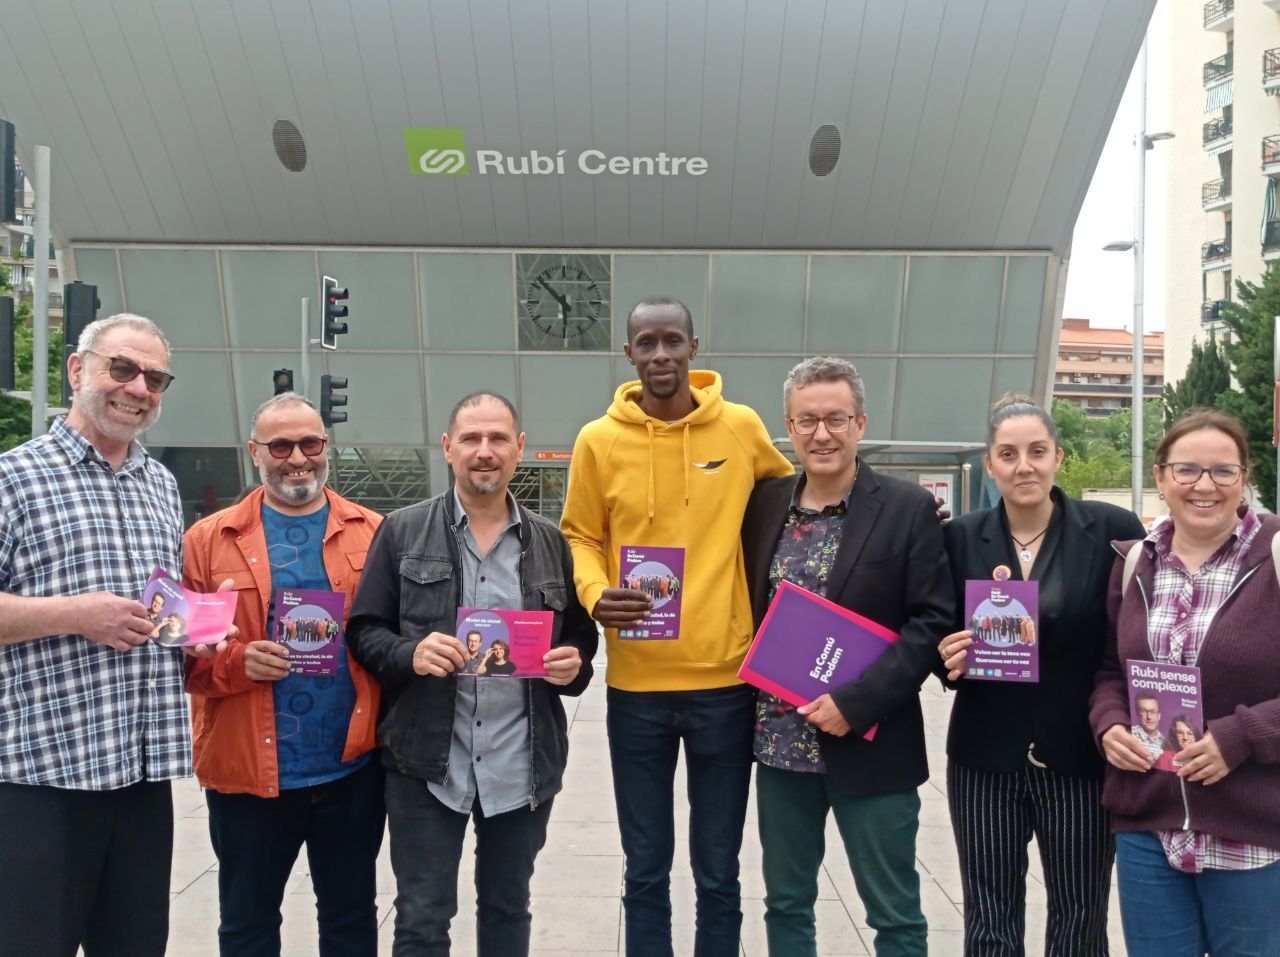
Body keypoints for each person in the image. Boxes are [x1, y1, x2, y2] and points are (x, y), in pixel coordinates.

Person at [560, 296, 793, 956]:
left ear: (695, 346)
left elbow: (794, 505)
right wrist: (594, 589)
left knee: (719, 870)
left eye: (671, 341)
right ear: (628, 355)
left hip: (725, 684)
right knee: (645, 870)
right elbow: (579, 533)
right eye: (645, 343)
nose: (660, 354)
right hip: (635, 689)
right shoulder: (597, 440)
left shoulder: (741, 428)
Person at [348, 391, 597, 957]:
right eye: (471, 439)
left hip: (521, 763)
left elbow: (580, 635)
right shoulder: (402, 531)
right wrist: (408, 654)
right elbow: (365, 633)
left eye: (498, 439)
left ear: (519, 448)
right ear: (448, 448)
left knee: (509, 910)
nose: (485, 452)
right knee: (421, 919)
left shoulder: (550, 543)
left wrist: (573, 664)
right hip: (427, 764)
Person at [741, 357, 953, 957]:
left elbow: (931, 621)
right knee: (785, 905)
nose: (822, 433)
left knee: (894, 914)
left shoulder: (907, 508)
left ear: (860, 423)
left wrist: (855, 704)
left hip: (871, 743)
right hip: (778, 747)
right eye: (806, 420)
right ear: (788, 426)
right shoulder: (764, 505)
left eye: (836, 418)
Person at [0, 313, 189, 957]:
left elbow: (163, 599)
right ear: (78, 370)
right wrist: (75, 614)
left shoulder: (161, 485)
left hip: (140, 771)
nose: (139, 387)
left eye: (155, 377)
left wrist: (191, 626)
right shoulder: (13, 478)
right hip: (42, 776)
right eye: (123, 368)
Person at [939, 393, 1146, 956]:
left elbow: (1131, 637)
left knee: (1080, 917)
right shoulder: (958, 538)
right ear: (989, 464)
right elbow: (935, 628)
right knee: (988, 919)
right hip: (985, 755)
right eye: (1008, 454)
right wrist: (948, 657)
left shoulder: (1112, 531)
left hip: (1078, 753)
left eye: (1036, 451)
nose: (1023, 465)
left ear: (1058, 455)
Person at [183, 392, 384, 957]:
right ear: (255, 453)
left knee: (350, 919)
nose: (298, 458)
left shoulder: (375, 532)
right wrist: (235, 662)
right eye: (281, 445)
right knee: (247, 924)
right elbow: (183, 660)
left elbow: (395, 636)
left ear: (327, 446)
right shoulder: (206, 540)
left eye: (310, 442)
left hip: (351, 770)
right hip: (250, 773)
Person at [1091, 408, 1280, 956]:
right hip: (1149, 830)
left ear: (1244, 479)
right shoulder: (1135, 563)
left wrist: (1242, 736)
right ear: (1160, 477)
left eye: (1223, 471)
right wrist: (1110, 727)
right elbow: (1109, 672)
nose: (1205, 485)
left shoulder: (1273, 556)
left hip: (1252, 834)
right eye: (1187, 469)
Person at [1131, 694, 1166, 763]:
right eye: (1143, 712)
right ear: (1137, 714)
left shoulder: (1167, 742)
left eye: (1152, 712)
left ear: (1159, 715)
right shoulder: (1128, 735)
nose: (1149, 717)